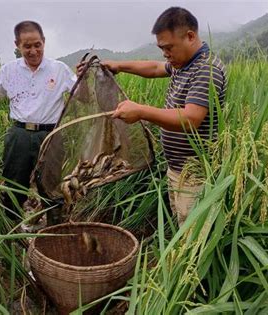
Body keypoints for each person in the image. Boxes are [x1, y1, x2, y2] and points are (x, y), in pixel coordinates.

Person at [79, 7, 227, 226]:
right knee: (181, 225)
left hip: (195, 174)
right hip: (177, 168)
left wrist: (141, 111)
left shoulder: (206, 69)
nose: (165, 54)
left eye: (169, 48)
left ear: (190, 36)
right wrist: (119, 65)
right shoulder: (184, 62)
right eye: (162, 48)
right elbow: (155, 68)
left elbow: (190, 119)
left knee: (194, 237)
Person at [0, 21, 77, 216]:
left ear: (44, 42)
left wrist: (85, 75)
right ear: (17, 45)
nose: (33, 51)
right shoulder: (9, 70)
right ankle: (13, 231)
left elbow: (81, 96)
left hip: (51, 135)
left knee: (52, 187)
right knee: (13, 185)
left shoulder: (59, 69)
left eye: (37, 45)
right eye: (27, 46)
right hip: (19, 135)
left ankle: (53, 230)